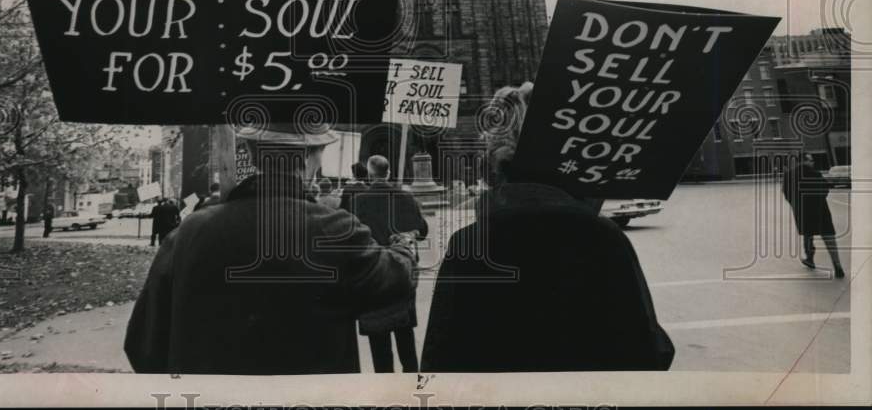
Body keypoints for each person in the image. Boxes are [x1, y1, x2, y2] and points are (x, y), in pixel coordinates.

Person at [420, 83, 674, 373]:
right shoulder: (603, 238)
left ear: (495, 163)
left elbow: (439, 362)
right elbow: (648, 352)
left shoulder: (468, 245)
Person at [124, 126, 418, 374]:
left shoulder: (187, 233)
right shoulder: (335, 229)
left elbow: (142, 347)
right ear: (311, 157)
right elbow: (395, 282)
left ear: (251, 153)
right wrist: (404, 245)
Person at [352, 154, 428, 373]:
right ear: (388, 172)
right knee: (405, 337)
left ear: (368, 173)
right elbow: (422, 231)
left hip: (373, 273)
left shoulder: (358, 201)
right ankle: (412, 389)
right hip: (402, 272)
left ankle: (385, 390)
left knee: (379, 343)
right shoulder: (405, 198)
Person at [781, 153, 845, 278]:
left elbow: (786, 193)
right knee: (828, 236)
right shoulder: (815, 174)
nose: (813, 163)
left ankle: (810, 259)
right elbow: (825, 189)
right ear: (803, 161)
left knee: (808, 234)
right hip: (820, 210)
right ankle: (837, 266)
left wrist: (796, 204)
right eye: (811, 160)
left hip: (802, 211)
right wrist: (819, 200)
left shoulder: (788, 175)